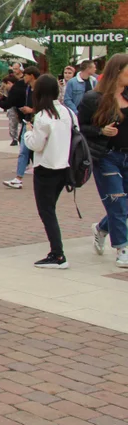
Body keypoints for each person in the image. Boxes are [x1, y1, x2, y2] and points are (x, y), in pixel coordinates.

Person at [80, 53, 128, 268]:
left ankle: (101, 228)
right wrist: (101, 130)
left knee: (124, 204)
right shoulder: (94, 98)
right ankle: (122, 248)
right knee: (116, 202)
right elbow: (81, 127)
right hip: (107, 157)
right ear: (118, 71)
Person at [25, 74, 75, 269]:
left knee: (46, 211)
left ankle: (58, 254)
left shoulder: (42, 116)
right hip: (65, 167)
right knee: (49, 209)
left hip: (46, 168)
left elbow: (36, 144)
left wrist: (27, 132)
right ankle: (57, 251)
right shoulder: (68, 112)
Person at [3, 66, 40, 190]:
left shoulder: (40, 89)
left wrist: (32, 110)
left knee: (38, 149)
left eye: (26, 75)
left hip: (39, 123)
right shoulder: (28, 88)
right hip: (28, 121)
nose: (24, 78)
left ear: (32, 76)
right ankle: (18, 178)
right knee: (24, 150)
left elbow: (47, 106)